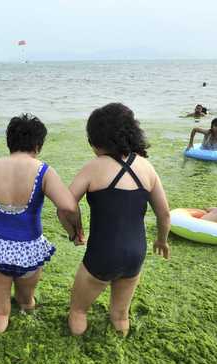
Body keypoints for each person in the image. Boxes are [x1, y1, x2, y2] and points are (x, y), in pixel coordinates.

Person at [0, 114, 81, 332]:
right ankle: (27, 332)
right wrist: (76, 231)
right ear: (38, 145)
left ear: (9, 142)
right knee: (26, 302)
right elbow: (68, 206)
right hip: (30, 250)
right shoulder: (44, 171)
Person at [67, 103, 171, 336]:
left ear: (96, 140)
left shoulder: (93, 168)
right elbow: (164, 214)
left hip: (102, 254)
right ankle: (120, 346)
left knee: (79, 311)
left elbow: (66, 206)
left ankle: (74, 348)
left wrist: (75, 230)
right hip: (136, 253)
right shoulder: (147, 168)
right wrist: (162, 241)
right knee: (120, 315)